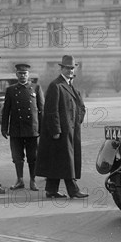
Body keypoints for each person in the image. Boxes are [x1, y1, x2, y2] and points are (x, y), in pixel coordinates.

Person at [35, 55, 88, 199]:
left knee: (57, 160)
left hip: (70, 130)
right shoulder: (56, 85)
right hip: (60, 132)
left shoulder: (69, 85)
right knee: (66, 160)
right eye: (67, 68)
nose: (70, 70)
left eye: (72, 68)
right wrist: (56, 130)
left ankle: (51, 190)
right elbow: (51, 110)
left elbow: (80, 106)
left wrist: (78, 121)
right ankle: (73, 190)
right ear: (61, 68)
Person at [1, 63, 44, 191]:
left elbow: (42, 110)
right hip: (16, 129)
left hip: (32, 129)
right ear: (16, 75)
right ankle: (19, 180)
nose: (22, 76)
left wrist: (42, 129)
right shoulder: (10, 90)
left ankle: (33, 180)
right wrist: (4, 128)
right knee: (17, 157)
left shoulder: (36, 88)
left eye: (25, 73)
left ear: (28, 75)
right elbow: (6, 111)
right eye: (20, 73)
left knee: (33, 157)